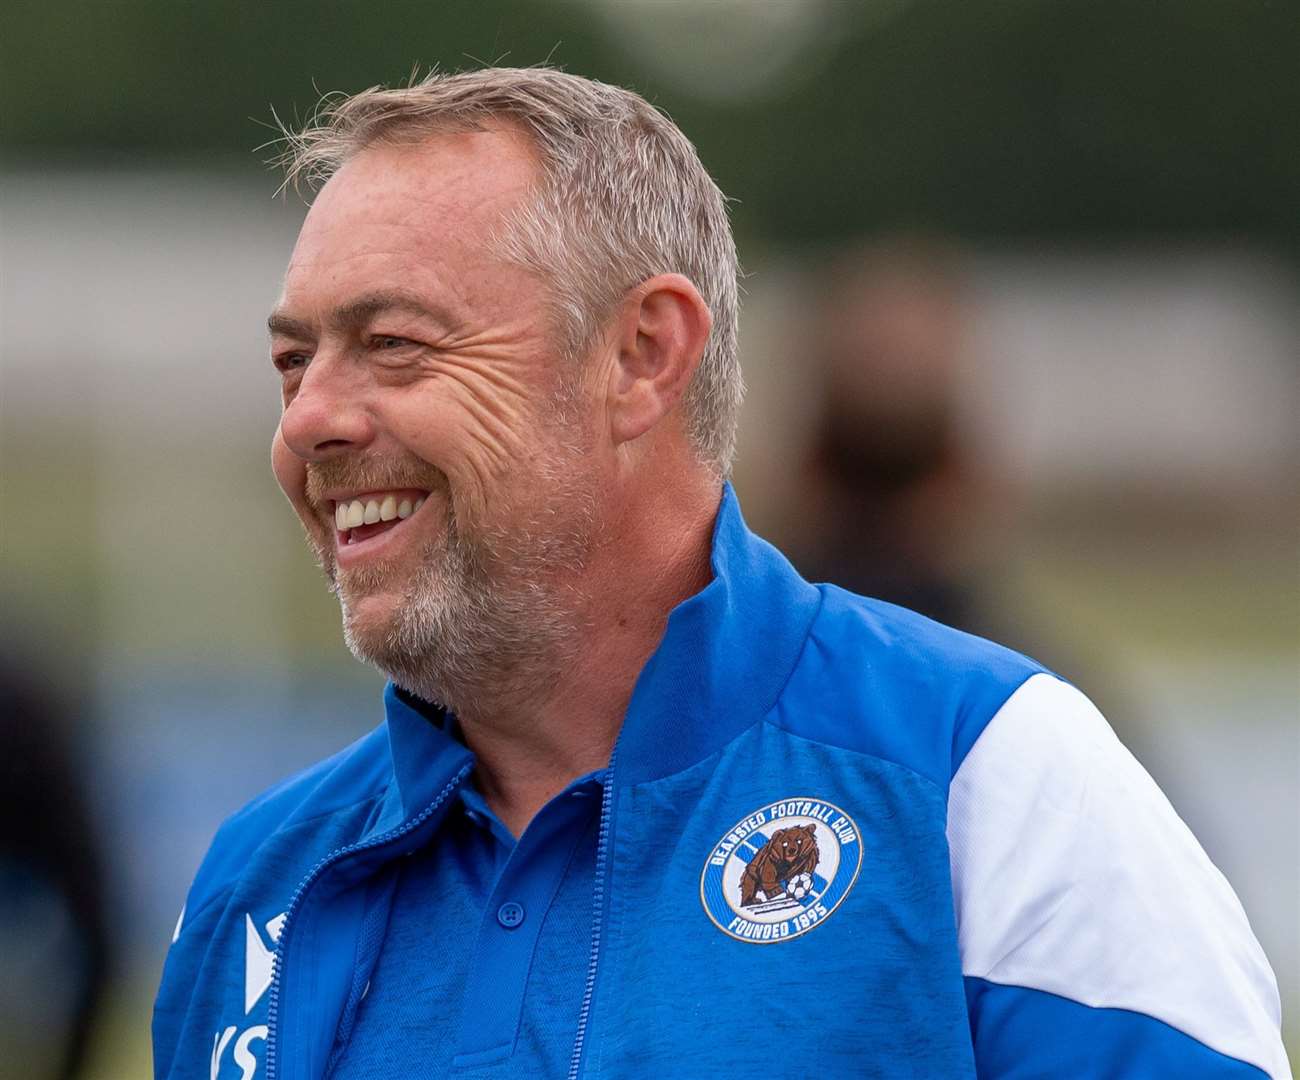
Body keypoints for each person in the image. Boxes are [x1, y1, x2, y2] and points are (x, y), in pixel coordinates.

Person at [153, 67, 1289, 1079]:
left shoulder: (982, 777)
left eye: (393, 342)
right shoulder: (261, 886)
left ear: (642, 355)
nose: (308, 422)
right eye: (292, 363)